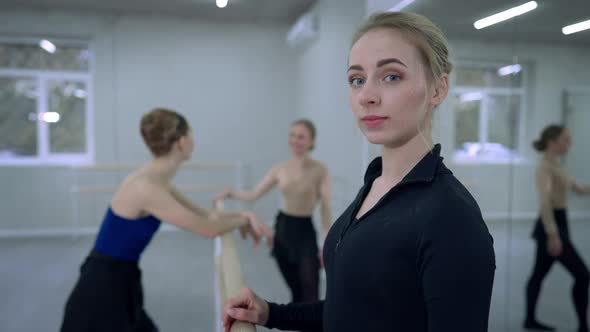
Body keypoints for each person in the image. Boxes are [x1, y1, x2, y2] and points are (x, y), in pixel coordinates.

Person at [222, 11, 496, 332]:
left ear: (438, 89)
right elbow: (354, 307)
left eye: (391, 76)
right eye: (357, 79)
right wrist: (271, 313)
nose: (366, 96)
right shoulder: (375, 183)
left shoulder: (452, 217)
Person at [60, 108, 272, 332]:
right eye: (192, 135)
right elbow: (207, 228)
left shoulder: (158, 181)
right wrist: (242, 221)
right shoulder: (146, 187)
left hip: (122, 278)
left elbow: (206, 214)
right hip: (102, 287)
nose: (194, 141)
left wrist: (245, 215)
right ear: (181, 142)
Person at [214, 119, 332, 305]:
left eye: (301, 137)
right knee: (295, 291)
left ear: (312, 141)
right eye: (292, 135)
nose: (295, 140)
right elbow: (253, 195)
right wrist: (230, 192)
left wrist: (327, 243)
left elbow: (326, 209)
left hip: (305, 232)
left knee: (311, 292)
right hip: (283, 230)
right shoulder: (280, 169)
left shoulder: (320, 170)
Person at [524, 124, 590, 332]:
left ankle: (529, 320)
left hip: (560, 222)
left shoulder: (558, 164)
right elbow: (545, 203)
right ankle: (582, 327)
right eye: (566, 139)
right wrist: (553, 235)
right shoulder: (545, 167)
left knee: (538, 274)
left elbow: (577, 188)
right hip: (551, 226)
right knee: (583, 275)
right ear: (552, 142)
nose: (569, 143)